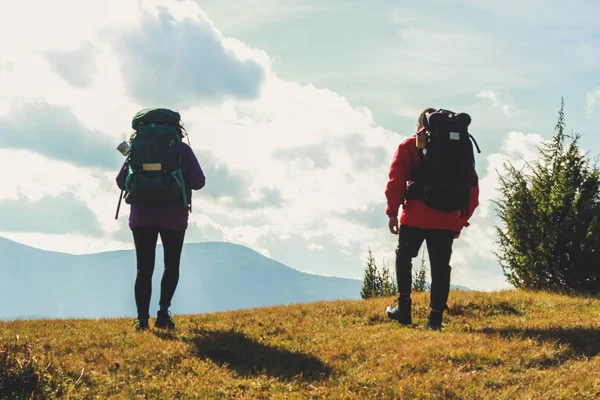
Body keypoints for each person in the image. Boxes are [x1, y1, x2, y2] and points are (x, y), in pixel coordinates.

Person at [384, 107, 479, 330]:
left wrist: (392, 213)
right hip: (446, 219)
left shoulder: (410, 146)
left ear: (422, 125)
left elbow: (396, 181)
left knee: (404, 256)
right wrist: (460, 221)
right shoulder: (460, 148)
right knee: (440, 267)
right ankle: (435, 319)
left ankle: (404, 308)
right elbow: (472, 189)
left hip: (415, 216)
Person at [116, 109, 205, 331]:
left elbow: (120, 182)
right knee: (171, 264)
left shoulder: (136, 150)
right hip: (173, 216)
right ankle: (163, 313)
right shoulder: (182, 150)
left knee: (143, 268)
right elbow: (199, 181)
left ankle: (142, 320)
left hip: (142, 216)